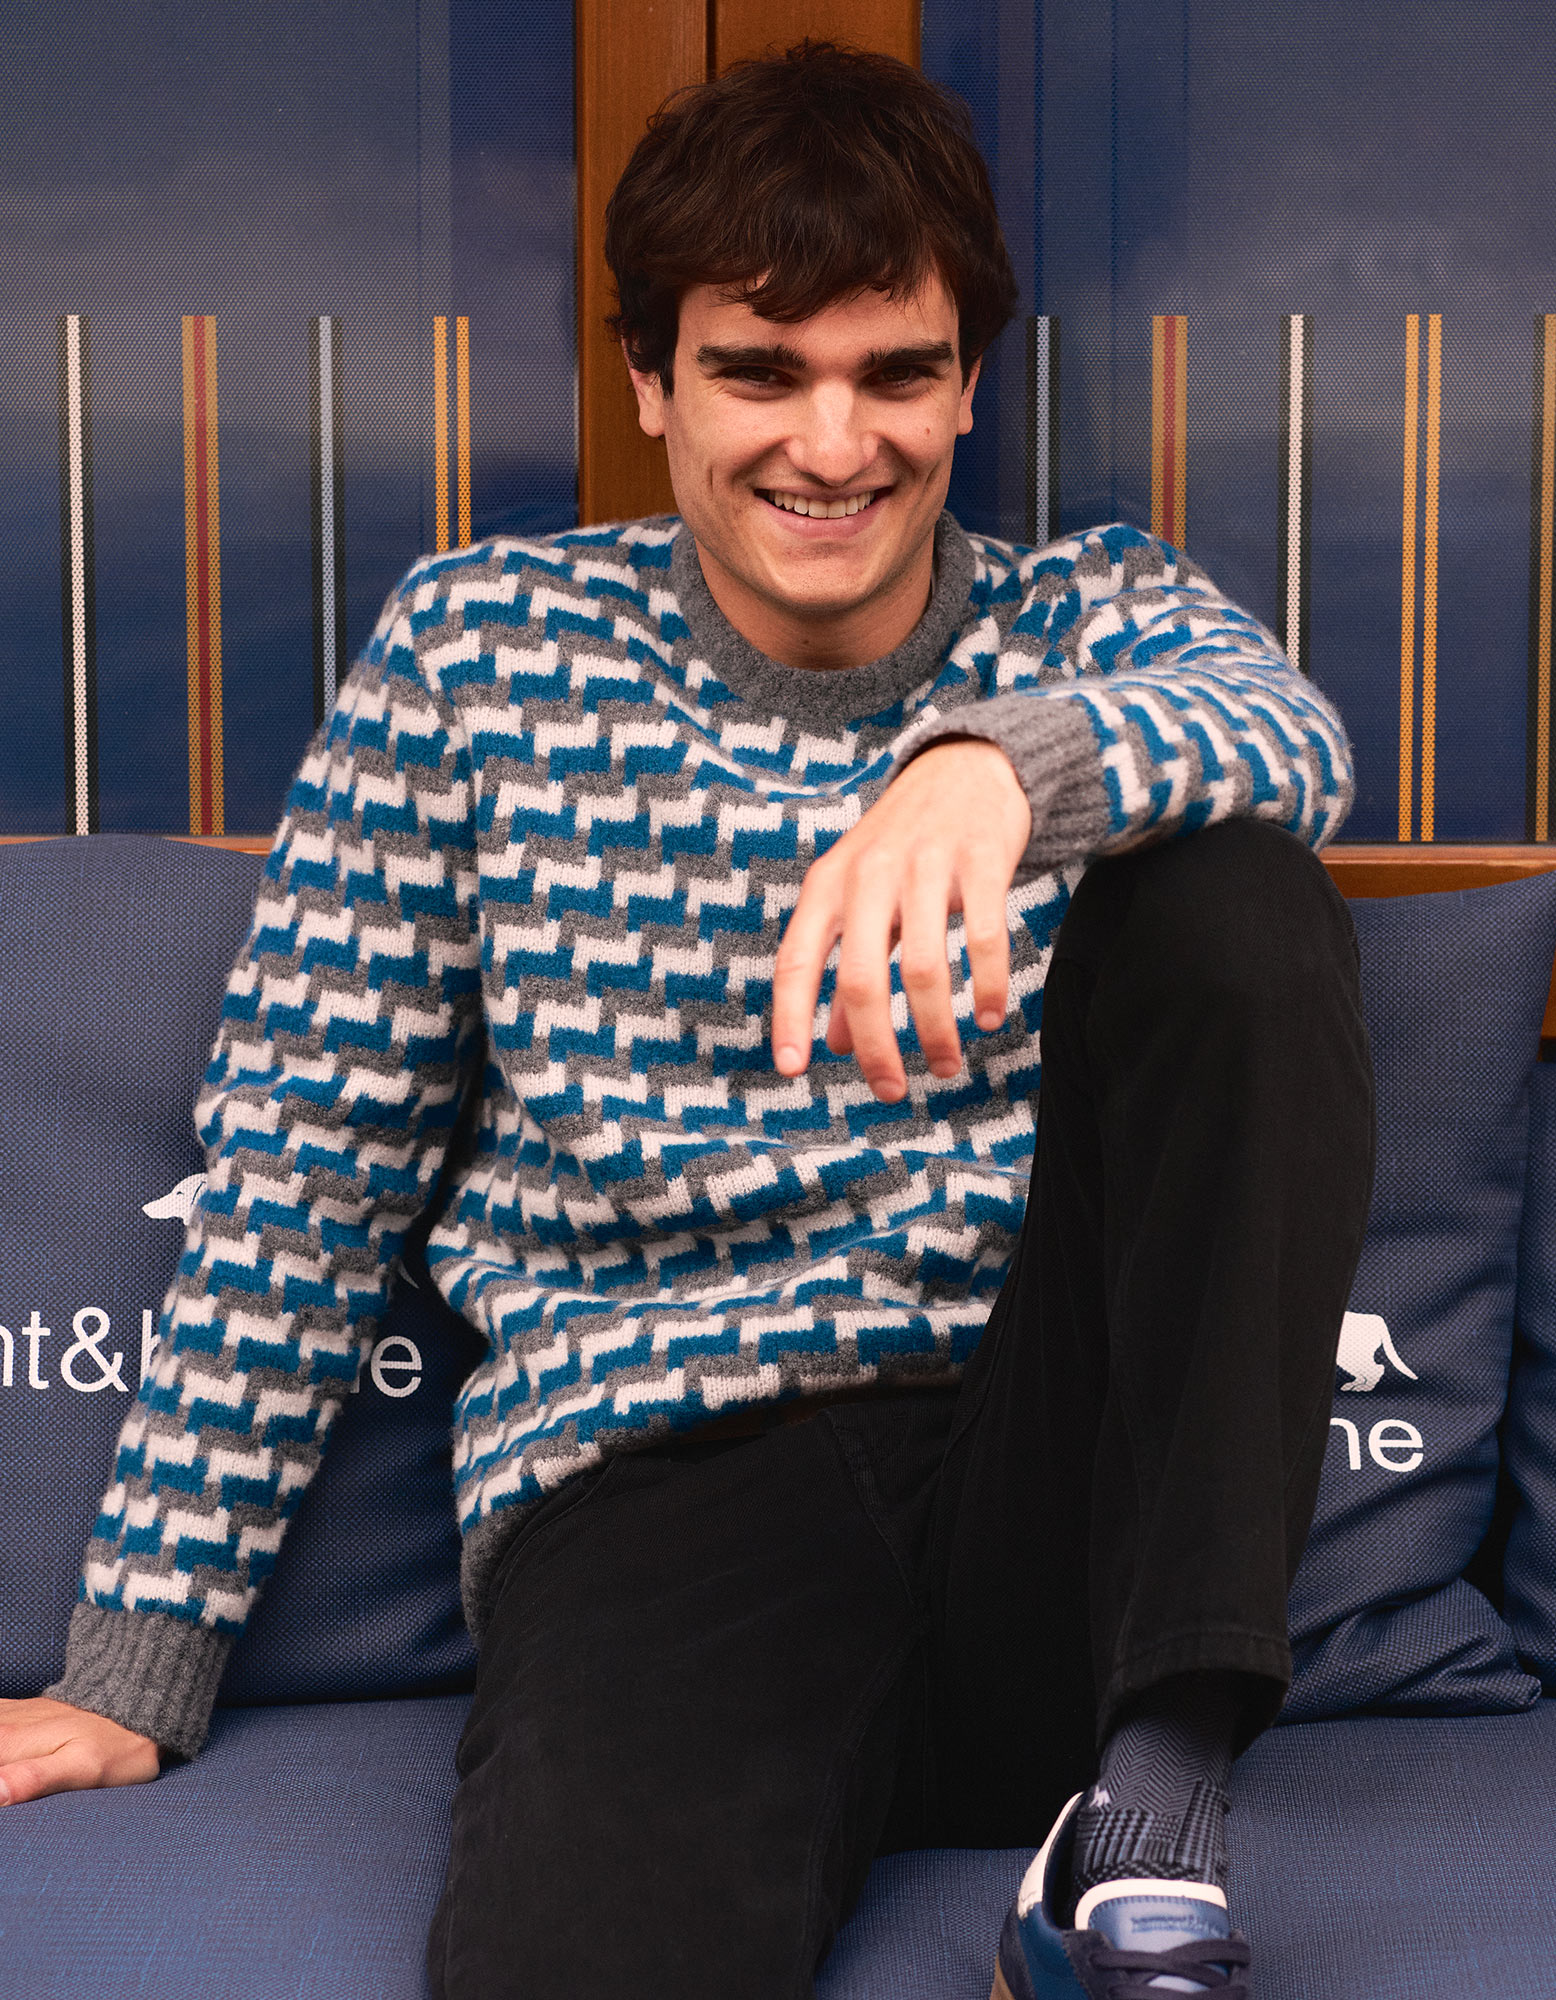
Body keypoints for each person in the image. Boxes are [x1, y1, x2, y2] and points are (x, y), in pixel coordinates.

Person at [0, 41, 1374, 2000]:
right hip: (660, 1501)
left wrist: (993, 768)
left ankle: (1144, 1828)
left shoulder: (1085, 615)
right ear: (650, 382)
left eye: (895, 374)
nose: (835, 444)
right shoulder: (478, 658)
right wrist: (137, 1659)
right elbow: (305, 1166)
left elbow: (1284, 739)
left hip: (1047, 1502)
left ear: (966, 387)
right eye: (759, 372)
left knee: (1238, 893)